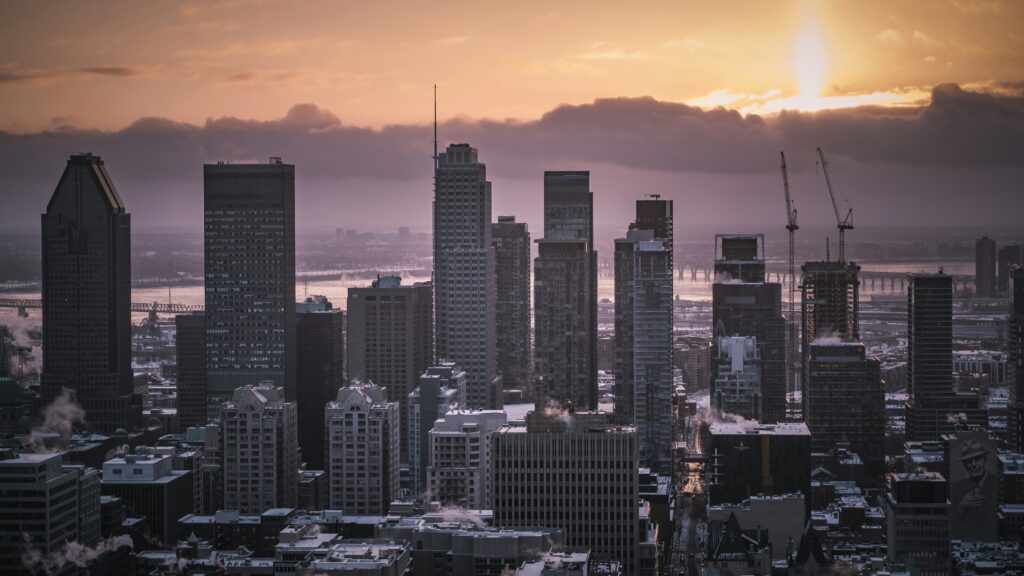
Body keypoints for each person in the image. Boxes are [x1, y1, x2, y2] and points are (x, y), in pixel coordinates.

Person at [951, 438, 998, 539]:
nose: (973, 465)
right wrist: (961, 507)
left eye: (977, 459)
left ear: (985, 460)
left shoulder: (997, 484)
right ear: (964, 465)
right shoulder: (957, 487)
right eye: (968, 461)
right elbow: (952, 524)